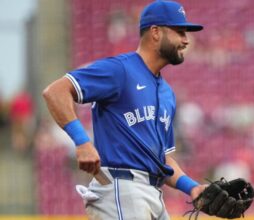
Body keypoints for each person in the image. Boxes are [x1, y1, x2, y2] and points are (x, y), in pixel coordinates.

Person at [42, 1, 206, 219]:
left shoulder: (167, 93)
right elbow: (55, 92)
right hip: (121, 187)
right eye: (179, 31)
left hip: (153, 193)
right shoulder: (120, 69)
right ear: (155, 32)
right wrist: (82, 141)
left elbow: (162, 161)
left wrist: (191, 187)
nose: (186, 39)